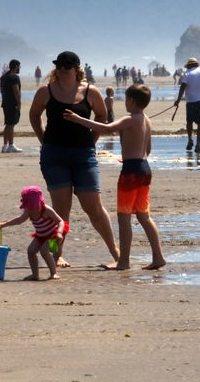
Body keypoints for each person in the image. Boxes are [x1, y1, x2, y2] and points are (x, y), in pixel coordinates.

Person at [29, 50, 119, 267]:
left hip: (83, 155)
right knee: (60, 210)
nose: (61, 70)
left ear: (77, 70)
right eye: (59, 66)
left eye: (66, 67)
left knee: (93, 206)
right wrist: (44, 139)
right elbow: (34, 115)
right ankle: (56, 254)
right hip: (54, 155)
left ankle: (116, 253)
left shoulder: (90, 92)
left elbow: (101, 116)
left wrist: (92, 139)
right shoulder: (46, 91)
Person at [63, 84, 166, 270]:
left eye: (126, 99)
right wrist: (132, 157)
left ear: (132, 101)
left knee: (124, 217)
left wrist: (78, 119)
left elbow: (106, 128)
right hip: (144, 169)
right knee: (144, 217)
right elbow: (147, 149)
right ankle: (158, 256)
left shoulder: (130, 119)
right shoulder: (146, 120)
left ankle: (124, 261)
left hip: (131, 172)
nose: (124, 102)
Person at [0, 186, 65, 280]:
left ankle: (53, 273)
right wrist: (4, 224)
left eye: (36, 207)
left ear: (40, 202)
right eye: (30, 207)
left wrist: (59, 233)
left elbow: (60, 221)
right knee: (31, 251)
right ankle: (35, 274)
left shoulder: (46, 210)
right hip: (41, 235)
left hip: (53, 234)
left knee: (44, 251)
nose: (34, 210)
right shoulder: (28, 211)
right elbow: (19, 220)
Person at [0, 59, 23, 153]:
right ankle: (11, 145)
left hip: (5, 103)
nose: (20, 68)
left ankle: (5, 145)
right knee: (11, 124)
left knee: (8, 123)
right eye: (19, 67)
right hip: (12, 104)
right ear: (16, 66)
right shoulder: (14, 77)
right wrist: (19, 103)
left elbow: (1, 90)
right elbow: (16, 91)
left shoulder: (3, 77)